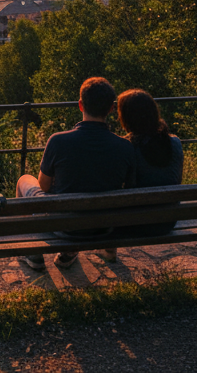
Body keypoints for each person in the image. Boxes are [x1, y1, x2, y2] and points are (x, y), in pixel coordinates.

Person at [14, 77, 138, 270]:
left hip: (64, 227)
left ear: (80, 105)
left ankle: (32, 251)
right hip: (104, 227)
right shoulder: (125, 147)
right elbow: (129, 190)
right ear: (111, 108)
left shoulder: (58, 141)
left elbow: (44, 186)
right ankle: (75, 252)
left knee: (25, 180)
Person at [105, 89, 185, 256]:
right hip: (167, 221)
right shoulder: (175, 143)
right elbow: (177, 180)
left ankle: (110, 250)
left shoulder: (127, 147)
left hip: (137, 223)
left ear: (126, 117)